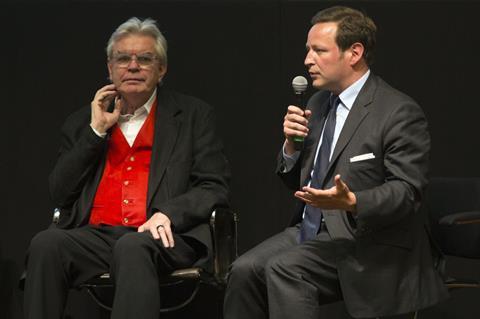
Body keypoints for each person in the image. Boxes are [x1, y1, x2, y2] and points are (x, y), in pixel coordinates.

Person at [223, 6, 447, 319]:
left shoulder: (397, 112)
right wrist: (291, 147)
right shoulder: (318, 103)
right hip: (312, 230)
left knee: (286, 269)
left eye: (319, 50)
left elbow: (408, 192)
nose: (307, 60)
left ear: (354, 52)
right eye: (307, 50)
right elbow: (297, 182)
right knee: (244, 270)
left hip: (368, 240)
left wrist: (353, 201)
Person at [23, 17, 230, 319]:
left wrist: (169, 213)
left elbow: (214, 186)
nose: (133, 66)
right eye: (123, 59)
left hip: (163, 238)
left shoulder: (194, 116)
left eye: (145, 59)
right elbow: (60, 192)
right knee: (46, 243)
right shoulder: (82, 122)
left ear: (162, 69)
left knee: (133, 246)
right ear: (110, 68)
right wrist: (95, 132)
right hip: (98, 237)